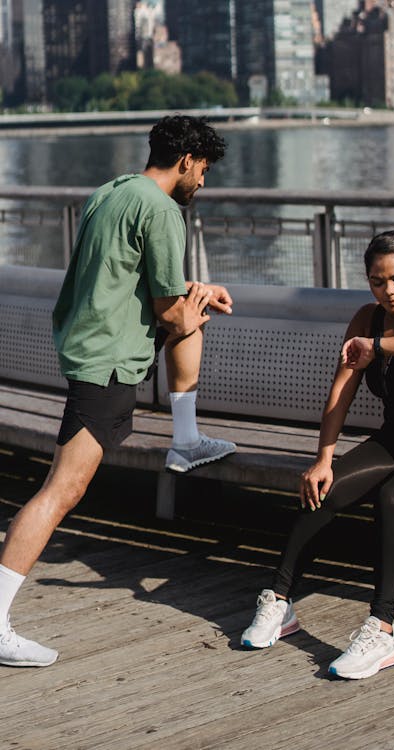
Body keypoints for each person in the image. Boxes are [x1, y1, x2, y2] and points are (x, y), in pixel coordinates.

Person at [0, 115, 236, 667]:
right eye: (202, 169)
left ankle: (186, 437)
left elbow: (135, 286)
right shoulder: (163, 211)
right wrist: (200, 301)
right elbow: (169, 312)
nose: (202, 181)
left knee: (62, 488)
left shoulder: (111, 191)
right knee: (61, 491)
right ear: (185, 161)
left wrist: (192, 298)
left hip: (88, 346)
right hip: (105, 364)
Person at [241, 230, 394, 680]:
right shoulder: (366, 319)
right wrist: (323, 458)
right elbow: (342, 389)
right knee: (326, 487)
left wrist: (380, 348)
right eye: (378, 282)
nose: (389, 291)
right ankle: (280, 601)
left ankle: (382, 629)